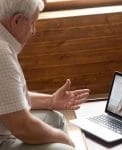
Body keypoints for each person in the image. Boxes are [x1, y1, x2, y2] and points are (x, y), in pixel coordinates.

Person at [0, 0, 90, 150]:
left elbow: (10, 98)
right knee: (65, 147)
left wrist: (52, 101)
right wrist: (65, 140)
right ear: (17, 20)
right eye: (32, 23)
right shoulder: (1, 53)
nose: (33, 31)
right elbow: (22, 127)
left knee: (56, 119)